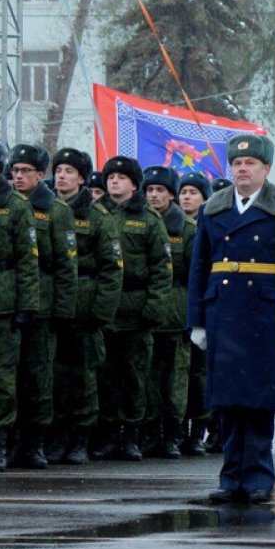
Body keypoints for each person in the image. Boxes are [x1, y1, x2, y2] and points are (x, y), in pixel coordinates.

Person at [188, 136, 275, 502]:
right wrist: (196, 319)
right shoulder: (213, 209)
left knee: (260, 400)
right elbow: (199, 267)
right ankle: (231, 476)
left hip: (263, 313)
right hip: (224, 311)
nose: (242, 169)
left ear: (266, 169)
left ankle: (260, 476)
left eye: (250, 163)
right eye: (237, 164)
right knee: (228, 401)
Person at [93, 156, 169, 463]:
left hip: (136, 308)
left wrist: (154, 305)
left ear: (134, 184)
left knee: (135, 376)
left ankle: (131, 436)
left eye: (121, 178)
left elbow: (162, 268)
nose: (114, 182)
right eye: (110, 177)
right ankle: (108, 434)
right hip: (107, 307)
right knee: (105, 375)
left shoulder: (149, 219)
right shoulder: (97, 215)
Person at [49, 148, 122, 466]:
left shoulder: (97, 218)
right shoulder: (45, 210)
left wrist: (100, 312)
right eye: (58, 170)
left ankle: (81, 439)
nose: (61, 176)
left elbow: (112, 269)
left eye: (69, 171)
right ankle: (56, 436)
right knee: (52, 377)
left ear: (81, 178)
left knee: (83, 378)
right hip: (52, 308)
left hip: (85, 311)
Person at [9, 144, 77, 469]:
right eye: (15, 171)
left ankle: (35, 442)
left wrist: (62, 311)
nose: (19, 177)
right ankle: (11, 438)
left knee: (39, 376)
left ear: (40, 175)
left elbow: (66, 266)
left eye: (26, 171)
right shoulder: (7, 206)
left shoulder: (57, 210)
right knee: (10, 375)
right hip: (12, 302)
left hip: (44, 305)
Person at [141, 166, 196, 459]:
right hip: (149, 311)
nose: (154, 195)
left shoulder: (187, 229)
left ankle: (174, 433)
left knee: (176, 377)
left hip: (176, 312)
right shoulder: (143, 222)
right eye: (149, 190)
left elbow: (193, 275)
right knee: (149, 376)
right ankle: (151, 433)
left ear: (171, 195)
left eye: (160, 190)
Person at [0, 142, 40, 471]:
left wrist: (27, 305)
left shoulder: (15, 206)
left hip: (4, 302)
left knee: (3, 376)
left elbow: (28, 260)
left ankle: (0, 440)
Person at [176, 171, 211, 455]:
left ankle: (199, 429)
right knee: (180, 374)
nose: (186, 197)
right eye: (184, 192)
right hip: (177, 306)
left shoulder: (207, 225)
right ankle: (177, 429)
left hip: (200, 306)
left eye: (193, 193)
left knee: (199, 374)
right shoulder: (172, 225)